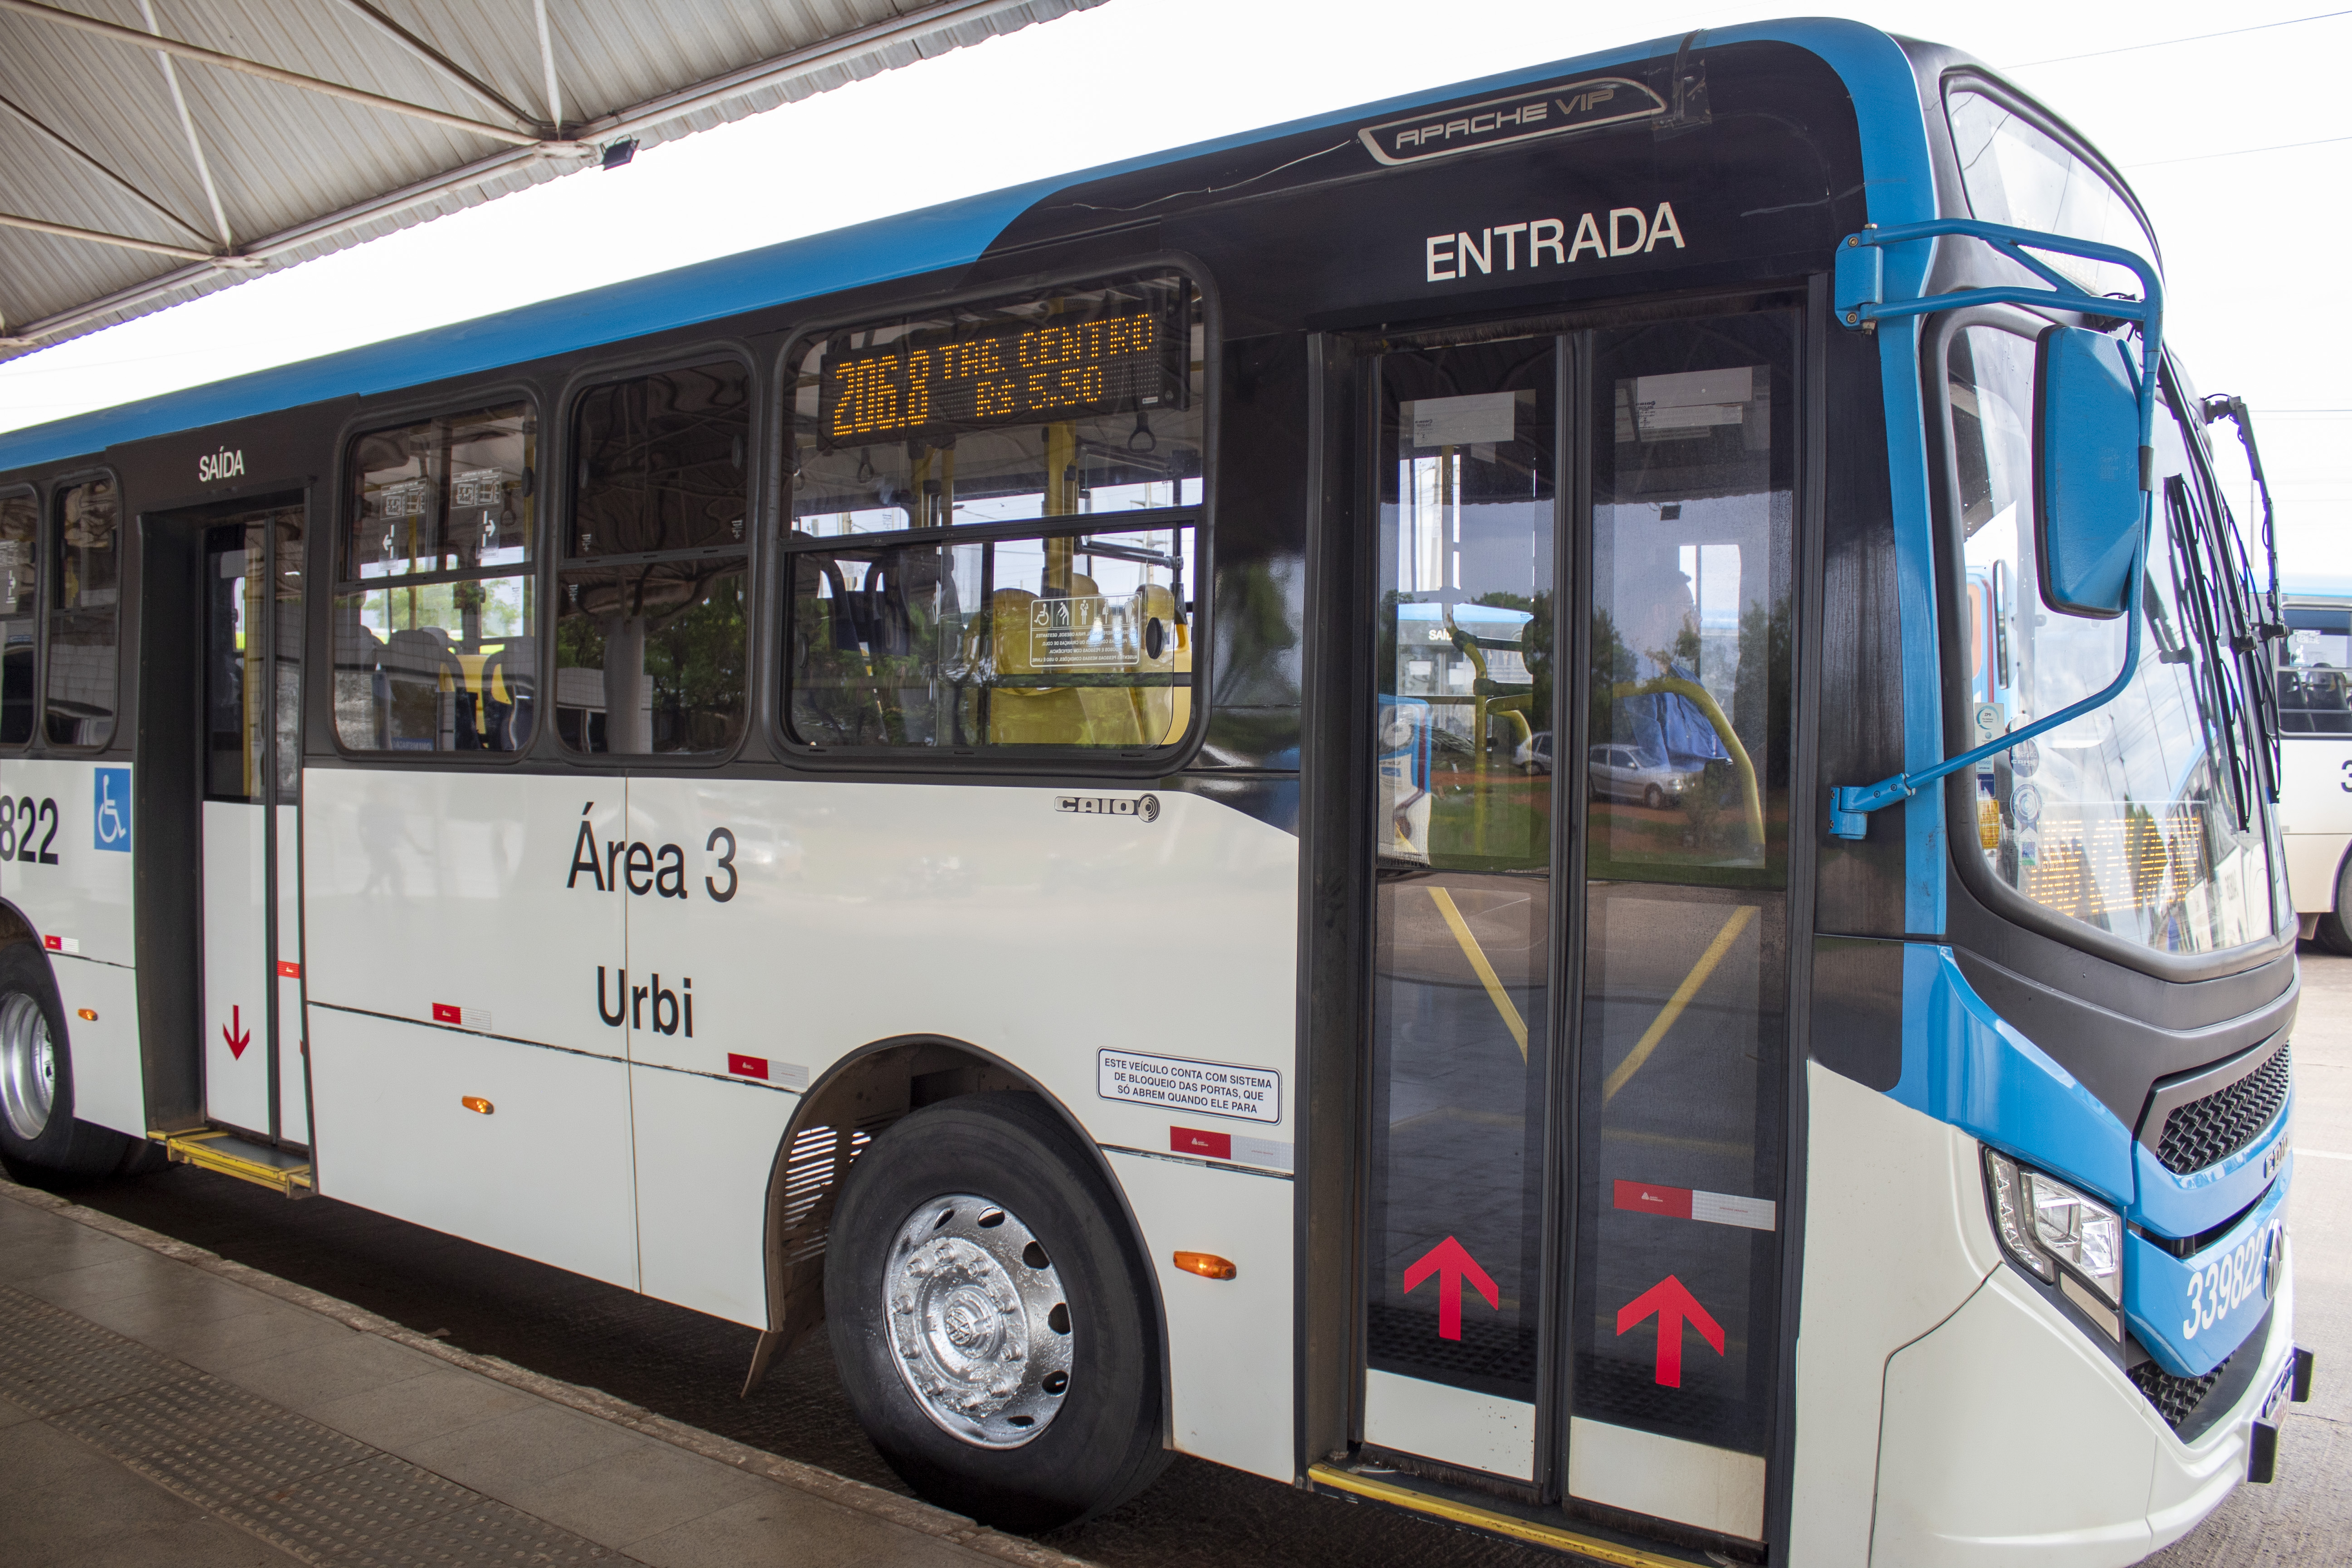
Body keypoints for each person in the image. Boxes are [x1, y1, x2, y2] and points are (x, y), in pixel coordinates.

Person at [1611, 566, 1730, 774]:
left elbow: (1723, 756)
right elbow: (1657, 776)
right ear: (1660, 613)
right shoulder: (1634, 683)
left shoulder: (1689, 682)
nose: (1699, 618)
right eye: (1690, 608)